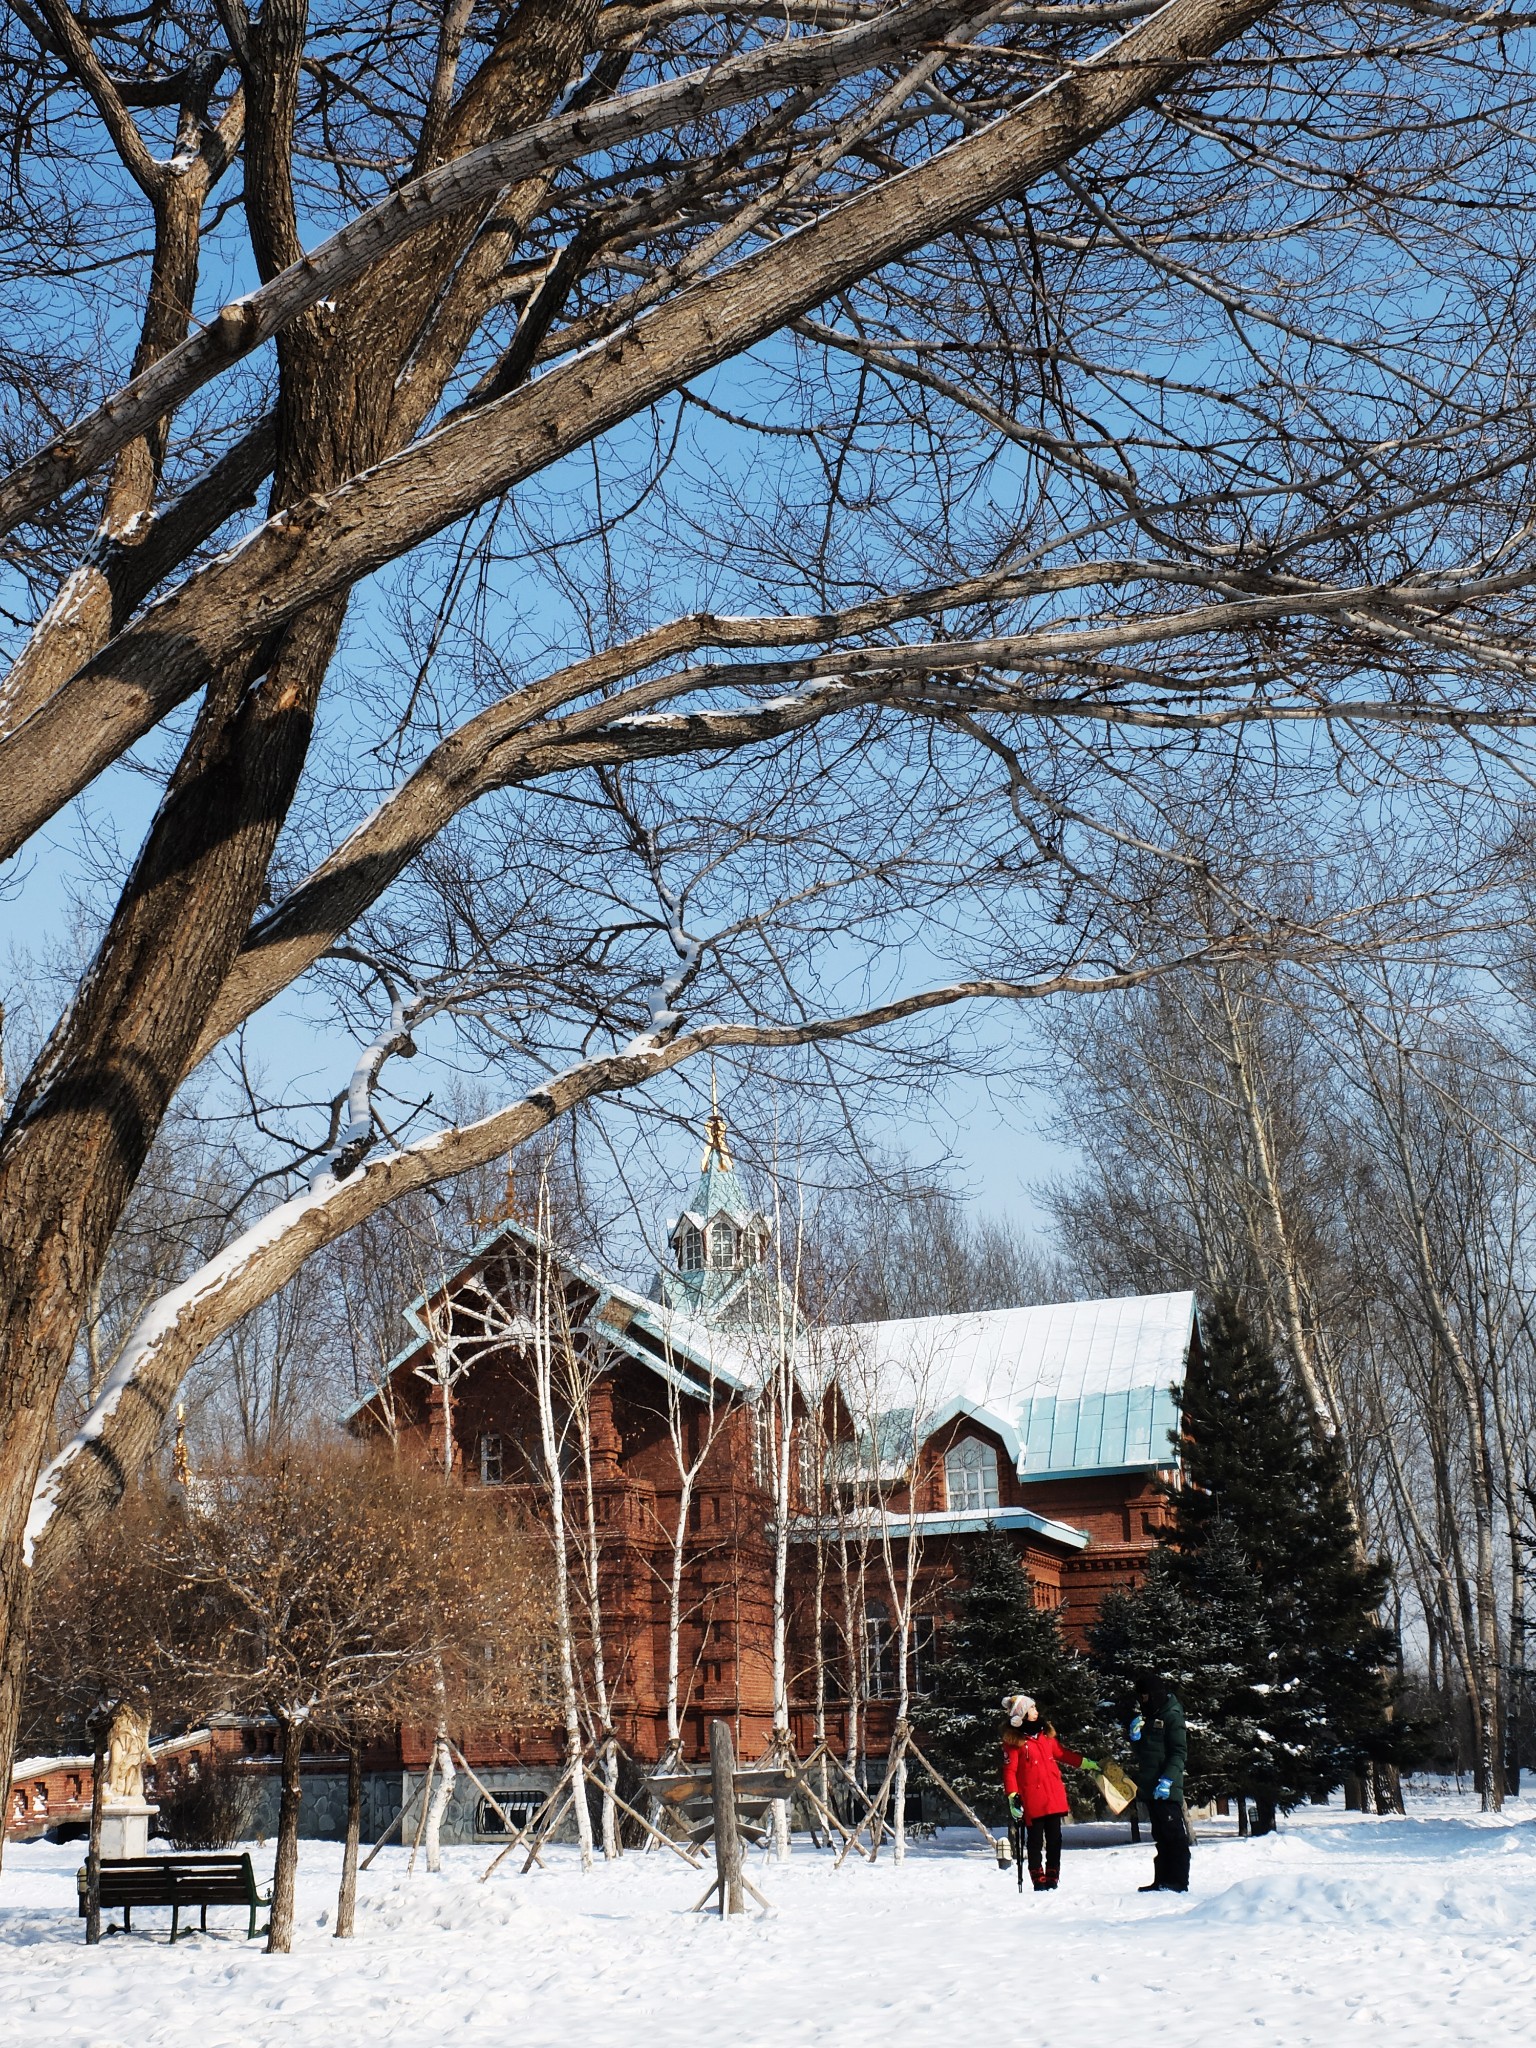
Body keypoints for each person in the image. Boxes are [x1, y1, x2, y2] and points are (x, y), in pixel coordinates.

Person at [1000, 1692, 1101, 1893]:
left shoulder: (1045, 1737)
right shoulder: (1016, 1743)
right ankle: (1038, 1879)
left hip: (1053, 1796)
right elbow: (1010, 1771)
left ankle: (1053, 1876)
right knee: (1035, 1841)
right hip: (1033, 1799)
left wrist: (1085, 1763)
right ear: (1022, 1715)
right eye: (1032, 1709)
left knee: (1055, 1839)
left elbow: (1063, 1754)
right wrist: (1012, 1796)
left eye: (1035, 1708)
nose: (1036, 1712)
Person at [1126, 1673, 1189, 1894]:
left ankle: (1179, 1881)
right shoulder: (1151, 1716)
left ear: (1153, 1695)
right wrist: (1136, 1739)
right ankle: (1161, 1880)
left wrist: (1168, 1779)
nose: (1142, 1702)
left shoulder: (1172, 1715)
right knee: (1160, 1836)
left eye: (1144, 1697)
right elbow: (1146, 1753)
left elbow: (1179, 1752)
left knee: (1174, 1836)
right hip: (1151, 1787)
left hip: (1166, 1788)